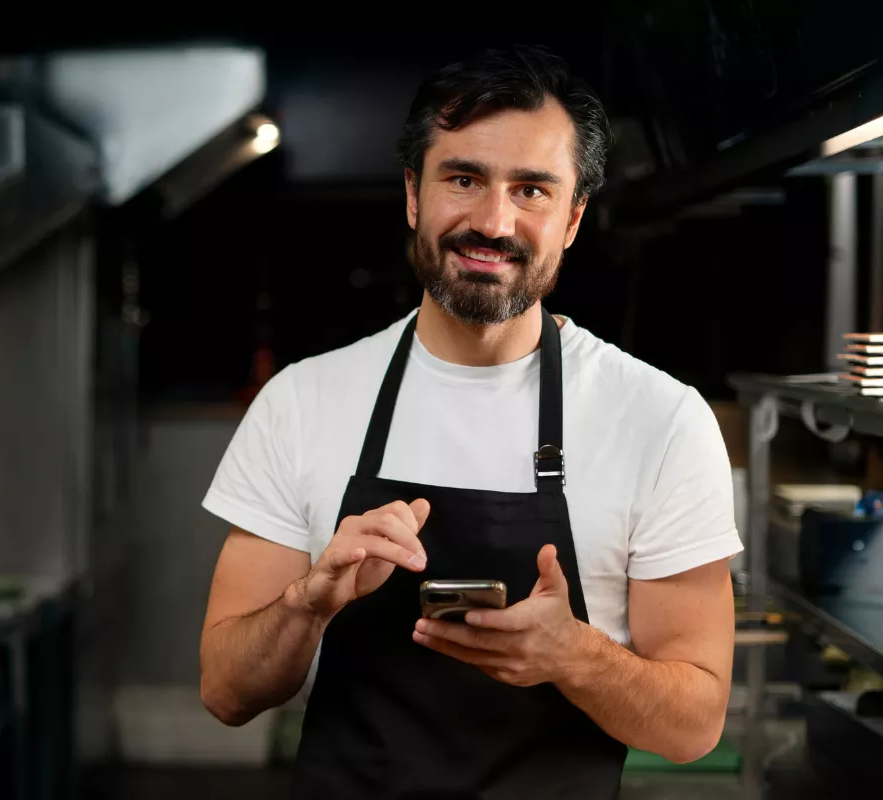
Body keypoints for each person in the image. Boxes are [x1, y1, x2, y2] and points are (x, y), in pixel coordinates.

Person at [199, 45, 741, 799]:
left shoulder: (660, 420)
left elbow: (693, 727)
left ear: (574, 217)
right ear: (414, 195)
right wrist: (309, 601)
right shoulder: (302, 401)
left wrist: (571, 655)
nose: (493, 221)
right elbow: (225, 692)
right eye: (464, 179)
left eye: (532, 190)